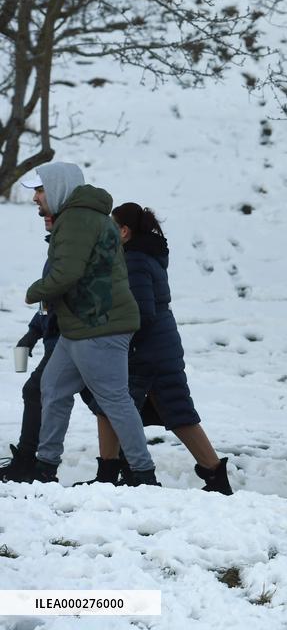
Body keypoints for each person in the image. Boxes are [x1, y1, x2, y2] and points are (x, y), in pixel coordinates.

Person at [77, 203, 233, 494]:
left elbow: (141, 311)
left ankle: (109, 474)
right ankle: (216, 477)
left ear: (124, 231)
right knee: (177, 410)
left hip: (144, 350)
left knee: (109, 405)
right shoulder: (145, 255)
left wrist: (111, 334)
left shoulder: (133, 259)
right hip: (161, 345)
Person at [21, 162, 158, 485]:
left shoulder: (77, 220)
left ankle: (143, 473)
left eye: (40, 190)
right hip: (81, 325)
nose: (36, 198)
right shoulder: (84, 217)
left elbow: (67, 273)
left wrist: (35, 292)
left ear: (57, 187)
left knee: (114, 399)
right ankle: (45, 466)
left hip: (100, 325)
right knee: (52, 389)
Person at [0, 215, 96, 483]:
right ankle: (121, 465)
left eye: (52, 216)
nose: (44, 218)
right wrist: (33, 332)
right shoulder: (56, 250)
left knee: (38, 391)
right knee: (100, 402)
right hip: (62, 340)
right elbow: (48, 302)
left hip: (72, 340)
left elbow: (62, 297)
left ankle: (31, 463)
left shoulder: (71, 251)